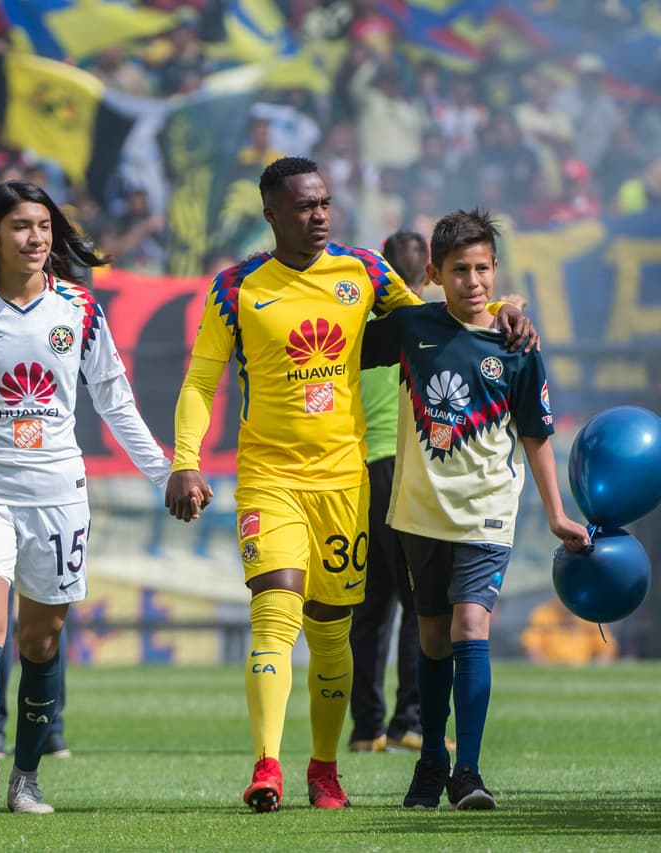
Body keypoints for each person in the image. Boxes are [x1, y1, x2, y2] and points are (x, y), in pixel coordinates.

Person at [165, 157, 535, 813]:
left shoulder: (362, 270)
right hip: (269, 476)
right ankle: (268, 764)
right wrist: (185, 458)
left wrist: (504, 307)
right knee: (275, 614)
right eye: (304, 205)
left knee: (332, 633)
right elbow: (199, 381)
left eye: (325, 203)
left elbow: (436, 315)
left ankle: (325, 767)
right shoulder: (236, 288)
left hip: (343, 479)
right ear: (271, 213)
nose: (319, 215)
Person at [0, 180, 172, 815]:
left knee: (41, 642)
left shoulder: (79, 309)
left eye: (44, 227)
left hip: (57, 493)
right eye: (21, 226)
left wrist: (165, 473)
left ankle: (25, 778)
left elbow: (116, 404)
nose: (36, 238)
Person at [361, 209, 588, 810]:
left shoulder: (517, 344)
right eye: (458, 270)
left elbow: (536, 434)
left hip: (488, 512)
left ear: (496, 271)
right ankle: (431, 759)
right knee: (431, 637)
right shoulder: (411, 326)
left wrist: (558, 514)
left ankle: (469, 770)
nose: (473, 281)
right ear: (434, 273)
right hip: (417, 514)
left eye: (483, 269)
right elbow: (343, 342)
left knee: (470, 628)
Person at [348, 231, 428, 754]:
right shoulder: (427, 325)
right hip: (406, 471)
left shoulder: (356, 327)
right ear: (426, 275)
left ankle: (365, 728)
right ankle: (409, 721)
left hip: (360, 474)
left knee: (370, 606)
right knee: (419, 603)